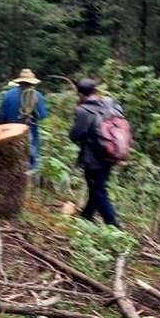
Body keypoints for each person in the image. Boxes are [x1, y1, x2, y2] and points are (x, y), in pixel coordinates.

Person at [69, 78, 121, 228]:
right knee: (97, 187)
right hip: (112, 153)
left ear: (79, 94)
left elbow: (75, 135)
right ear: (95, 91)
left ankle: (114, 227)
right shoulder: (111, 103)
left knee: (98, 190)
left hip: (93, 158)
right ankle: (86, 217)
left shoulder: (83, 110)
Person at [0, 68, 47, 171]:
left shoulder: (8, 95)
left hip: (10, 134)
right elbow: (42, 115)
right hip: (30, 133)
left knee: (11, 162)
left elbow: (1, 118)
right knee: (31, 162)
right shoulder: (37, 96)